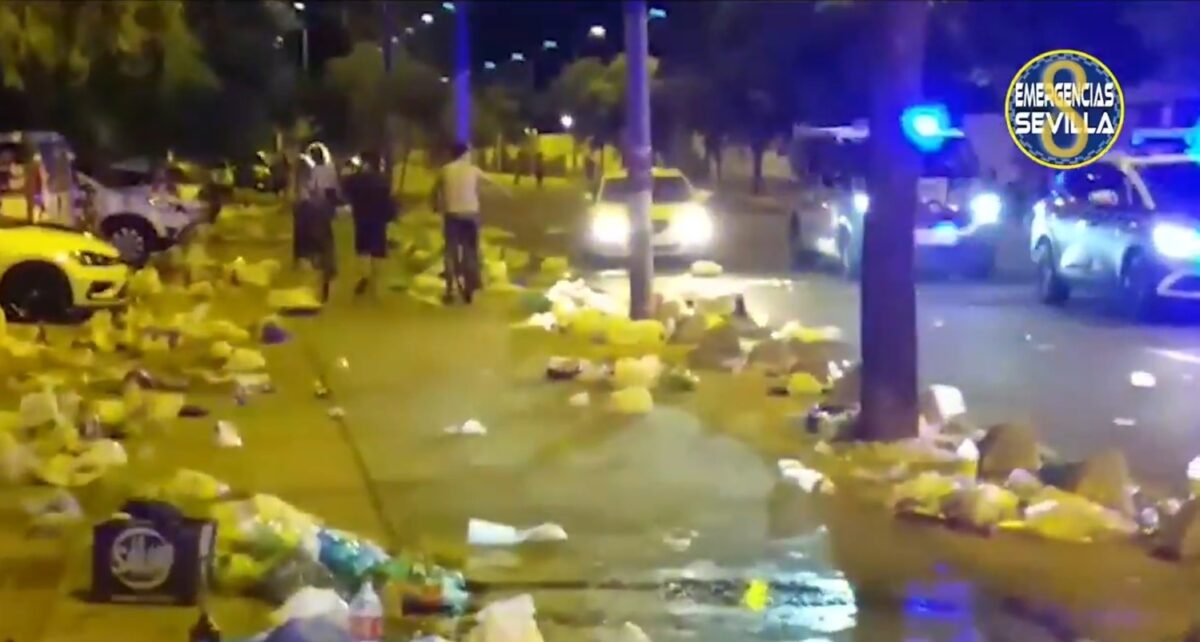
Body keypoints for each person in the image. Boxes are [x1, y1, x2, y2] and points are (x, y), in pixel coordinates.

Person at [431, 142, 507, 305]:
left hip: (452, 215)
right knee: (470, 249)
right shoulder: (473, 169)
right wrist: (507, 192)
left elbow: (434, 191)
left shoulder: (445, 170)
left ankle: (449, 289)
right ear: (465, 154)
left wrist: (435, 205)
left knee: (450, 250)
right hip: (470, 215)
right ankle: (471, 285)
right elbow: (492, 182)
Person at [343, 150, 396, 297]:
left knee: (362, 248)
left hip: (361, 217)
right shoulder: (382, 180)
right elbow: (388, 200)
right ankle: (375, 283)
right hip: (378, 219)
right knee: (378, 250)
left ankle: (364, 276)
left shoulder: (354, 179)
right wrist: (391, 215)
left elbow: (346, 193)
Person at [295, 145, 340, 302]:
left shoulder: (310, 171)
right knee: (326, 246)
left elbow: (306, 192)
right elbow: (333, 192)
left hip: (311, 212)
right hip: (324, 212)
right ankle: (326, 278)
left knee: (312, 249)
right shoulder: (330, 170)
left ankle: (316, 288)